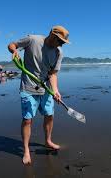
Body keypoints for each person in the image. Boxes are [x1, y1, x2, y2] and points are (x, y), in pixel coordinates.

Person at [8, 25, 69, 165]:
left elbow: (52, 73)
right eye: (60, 41)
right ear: (52, 35)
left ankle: (48, 141)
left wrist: (55, 90)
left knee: (49, 115)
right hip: (28, 87)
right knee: (27, 119)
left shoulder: (59, 53)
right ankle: (26, 150)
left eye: (63, 43)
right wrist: (14, 50)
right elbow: (11, 44)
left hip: (46, 88)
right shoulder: (33, 40)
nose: (61, 44)